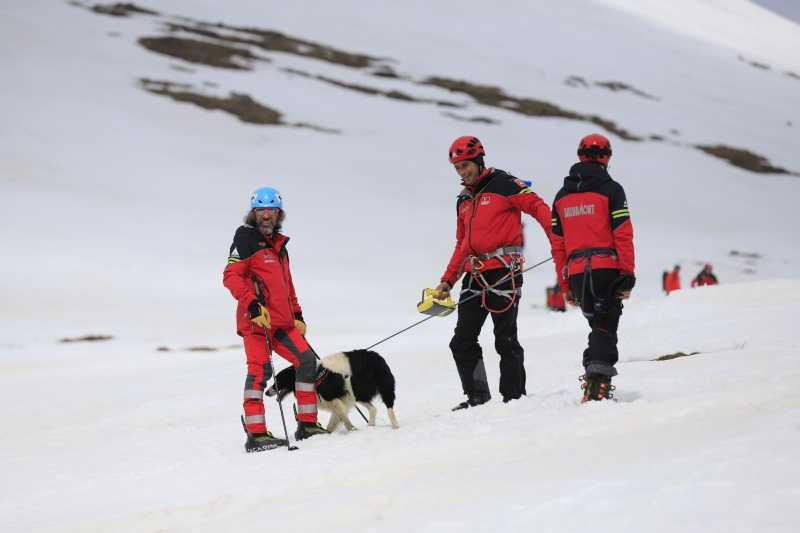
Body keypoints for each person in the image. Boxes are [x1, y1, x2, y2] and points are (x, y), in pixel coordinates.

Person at [431, 135, 552, 410]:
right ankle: (477, 397)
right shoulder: (463, 199)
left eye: (466, 166)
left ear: (478, 160)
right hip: (474, 275)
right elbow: (462, 244)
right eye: (458, 168)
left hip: (503, 273)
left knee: (505, 339)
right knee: (461, 341)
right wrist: (447, 281)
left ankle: (514, 399)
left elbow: (538, 207)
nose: (463, 172)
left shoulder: (504, 183)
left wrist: (559, 238)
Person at [223, 187, 328, 452]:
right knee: (260, 371)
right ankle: (256, 435)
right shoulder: (245, 239)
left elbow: (287, 286)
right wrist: (253, 305)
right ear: (253, 213)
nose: (266, 215)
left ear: (279, 213)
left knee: (307, 362)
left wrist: (298, 315)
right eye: (261, 210)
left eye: (271, 210)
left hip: (282, 323)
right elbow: (231, 277)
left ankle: (307, 425)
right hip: (256, 321)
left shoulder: (280, 246)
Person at [550, 133, 636, 402]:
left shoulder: (561, 196)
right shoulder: (612, 190)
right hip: (606, 269)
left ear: (579, 156)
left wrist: (565, 286)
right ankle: (597, 386)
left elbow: (558, 246)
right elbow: (622, 233)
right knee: (605, 325)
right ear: (607, 158)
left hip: (576, 273)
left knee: (599, 325)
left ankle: (592, 375)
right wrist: (628, 273)